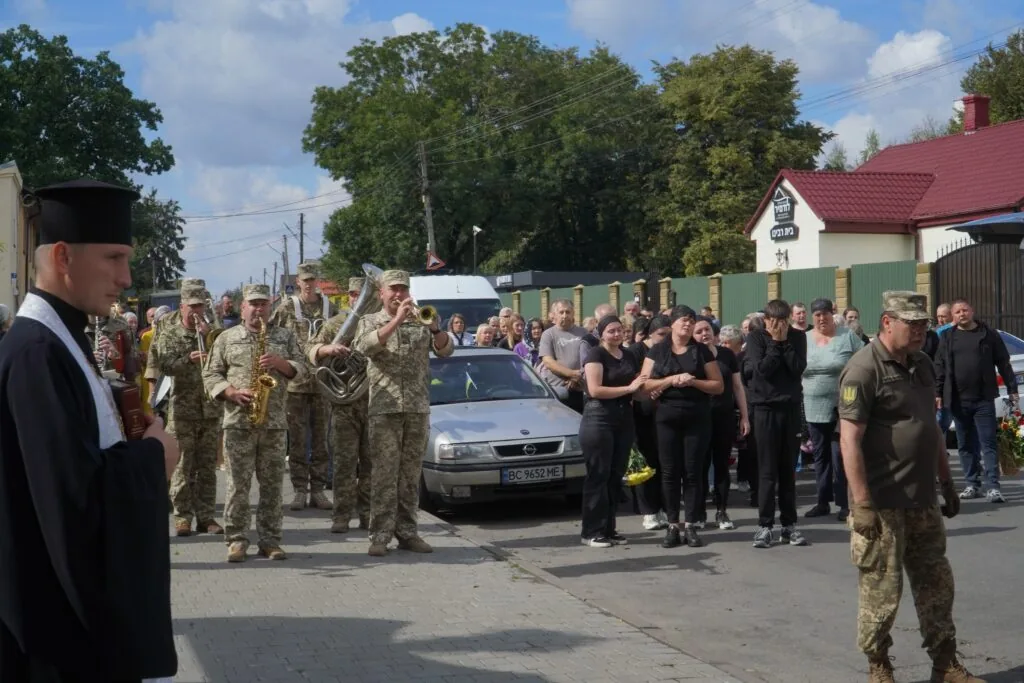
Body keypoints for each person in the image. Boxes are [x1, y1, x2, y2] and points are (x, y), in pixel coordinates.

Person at [0, 179, 180, 681]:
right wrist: (154, 459)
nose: (126, 278)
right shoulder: (38, 354)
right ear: (64, 257)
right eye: (114, 258)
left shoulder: (61, 338)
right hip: (54, 636)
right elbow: (69, 503)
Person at [838, 291, 984, 683]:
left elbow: (932, 429)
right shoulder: (863, 369)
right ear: (888, 322)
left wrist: (947, 481)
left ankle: (945, 664)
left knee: (937, 585)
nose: (920, 330)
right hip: (882, 502)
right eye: (912, 324)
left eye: (923, 324)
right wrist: (862, 502)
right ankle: (878, 666)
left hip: (922, 499)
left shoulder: (921, 364)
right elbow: (849, 439)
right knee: (882, 593)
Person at [202, 283, 308, 563]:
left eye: (263, 304)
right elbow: (210, 374)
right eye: (253, 304)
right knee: (238, 485)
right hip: (238, 422)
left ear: (270, 307)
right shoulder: (226, 338)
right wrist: (230, 392)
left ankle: (270, 541)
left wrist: (281, 364)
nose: (259, 309)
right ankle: (236, 539)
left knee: (272, 486)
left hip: (273, 424)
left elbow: (303, 371)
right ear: (243, 307)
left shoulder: (284, 336)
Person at [353, 269, 453, 557]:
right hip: (385, 409)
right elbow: (365, 347)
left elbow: (447, 351)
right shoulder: (369, 321)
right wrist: (396, 321)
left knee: (410, 475)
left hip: (417, 408)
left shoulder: (421, 318)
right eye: (393, 289)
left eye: (403, 289)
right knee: (384, 474)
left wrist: (435, 329)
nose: (399, 295)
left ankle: (408, 533)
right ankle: (380, 535)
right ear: (381, 293)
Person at [641, 306, 724, 548]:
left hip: (696, 417)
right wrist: (669, 380)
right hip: (667, 417)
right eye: (683, 321)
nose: (687, 325)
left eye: (691, 321)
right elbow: (643, 386)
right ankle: (672, 525)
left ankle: (691, 524)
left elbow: (718, 386)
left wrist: (694, 381)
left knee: (692, 472)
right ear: (673, 324)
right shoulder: (658, 350)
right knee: (669, 472)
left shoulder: (702, 352)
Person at [154, 283, 225, 537]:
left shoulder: (212, 331)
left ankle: (206, 517)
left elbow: (225, 361)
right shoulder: (170, 331)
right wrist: (188, 359)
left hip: (210, 408)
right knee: (183, 465)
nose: (196, 311)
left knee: (208, 465)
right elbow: (164, 364)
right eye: (192, 306)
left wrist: (209, 337)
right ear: (182, 306)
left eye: (200, 306)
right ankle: (182, 516)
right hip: (182, 408)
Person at [269, 261, 337, 511]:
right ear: (298, 281)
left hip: (322, 383)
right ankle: (299, 490)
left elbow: (344, 332)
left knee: (321, 439)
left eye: (313, 279)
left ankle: (318, 490)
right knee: (297, 439)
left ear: (318, 281)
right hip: (295, 383)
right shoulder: (287, 307)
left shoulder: (330, 307)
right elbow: (271, 334)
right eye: (305, 280)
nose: (309, 284)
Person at [934, 299, 1016, 504]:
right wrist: (937, 393)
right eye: (958, 312)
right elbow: (940, 367)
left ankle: (993, 487)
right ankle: (972, 484)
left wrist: (1012, 389)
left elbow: (1003, 363)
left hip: (983, 399)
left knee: (988, 442)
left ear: (972, 311)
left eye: (965, 310)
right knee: (965, 445)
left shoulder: (988, 335)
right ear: (953, 316)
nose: (962, 314)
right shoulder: (947, 337)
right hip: (958, 400)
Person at [744, 299, 809, 548]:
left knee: (787, 471)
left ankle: (789, 524)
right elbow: (762, 370)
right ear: (767, 320)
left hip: (790, 409)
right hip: (765, 409)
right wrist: (774, 343)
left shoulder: (797, 337)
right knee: (768, 471)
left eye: (784, 321)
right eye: (774, 321)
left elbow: (797, 369)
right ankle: (764, 525)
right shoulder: (757, 338)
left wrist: (784, 343)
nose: (779, 326)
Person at [579, 315, 646, 547]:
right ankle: (591, 532)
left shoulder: (628, 355)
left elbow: (635, 389)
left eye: (619, 330)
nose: (616, 335)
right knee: (598, 475)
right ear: (601, 334)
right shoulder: (595, 355)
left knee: (615, 476)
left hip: (623, 418)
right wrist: (629, 388)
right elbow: (595, 390)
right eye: (611, 331)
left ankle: (608, 529)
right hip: (598, 418)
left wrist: (646, 389)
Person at [308, 297, 373, 534]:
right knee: (344, 464)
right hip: (344, 403)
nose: (361, 299)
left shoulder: (380, 322)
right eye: (357, 294)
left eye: (363, 294)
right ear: (350, 297)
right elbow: (309, 349)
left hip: (375, 402)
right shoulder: (335, 324)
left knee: (371, 464)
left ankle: (368, 515)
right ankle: (342, 515)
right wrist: (327, 349)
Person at [802, 297, 863, 523]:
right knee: (820, 455)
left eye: (825, 314)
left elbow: (865, 361)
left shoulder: (847, 336)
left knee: (840, 453)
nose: (821, 319)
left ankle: (845, 503)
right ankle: (822, 502)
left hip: (843, 405)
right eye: (817, 315)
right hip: (812, 404)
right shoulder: (804, 338)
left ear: (832, 314)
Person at [693, 316, 749, 531]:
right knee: (698, 466)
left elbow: (737, 387)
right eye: (699, 331)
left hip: (723, 417)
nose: (704, 334)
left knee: (721, 466)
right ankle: (697, 513)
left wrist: (744, 416)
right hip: (697, 419)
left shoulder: (726, 355)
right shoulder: (690, 355)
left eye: (707, 330)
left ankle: (722, 511)